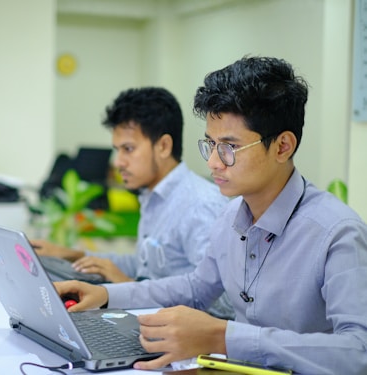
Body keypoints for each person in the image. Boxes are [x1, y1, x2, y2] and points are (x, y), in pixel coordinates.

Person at [54, 56, 367, 375]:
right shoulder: (232, 215)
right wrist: (107, 294)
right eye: (210, 145)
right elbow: (194, 287)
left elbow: (358, 353)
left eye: (230, 147)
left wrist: (224, 337)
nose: (214, 162)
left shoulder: (337, 232)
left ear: (283, 146)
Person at [32, 87, 233, 318]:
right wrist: (72, 255)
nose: (118, 162)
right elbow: (145, 265)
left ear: (164, 146)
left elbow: (224, 303)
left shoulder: (200, 205)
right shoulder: (152, 196)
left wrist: (127, 285)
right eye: (117, 150)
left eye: (128, 149)